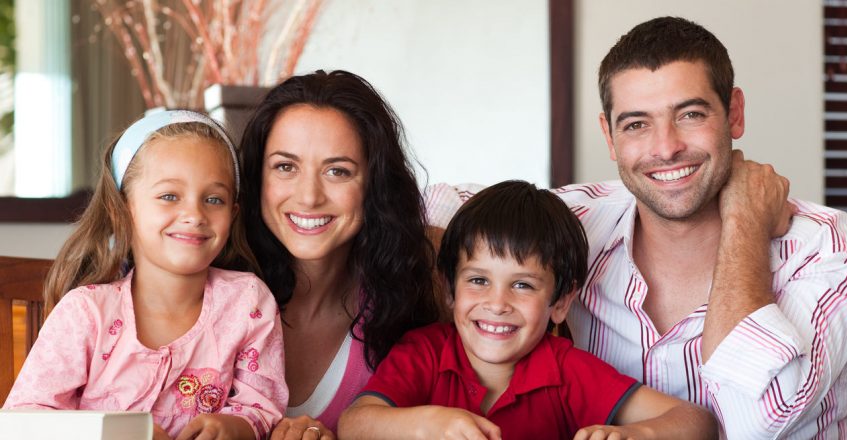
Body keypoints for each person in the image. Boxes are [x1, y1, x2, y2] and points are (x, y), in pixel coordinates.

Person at [425, 17, 847, 438]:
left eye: (690, 115)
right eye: (636, 124)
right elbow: (430, 204)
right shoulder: (576, 221)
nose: (666, 147)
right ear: (609, 137)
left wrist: (745, 224)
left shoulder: (829, 247)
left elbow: (754, 423)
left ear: (734, 113)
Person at [339, 180, 717, 440]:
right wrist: (425, 424)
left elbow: (696, 422)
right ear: (449, 288)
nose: (497, 304)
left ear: (561, 302)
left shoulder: (566, 369)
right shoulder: (424, 351)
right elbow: (355, 425)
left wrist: (632, 433)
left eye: (522, 285)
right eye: (478, 280)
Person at [3, 110, 290, 440]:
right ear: (123, 208)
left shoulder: (248, 302)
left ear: (232, 213)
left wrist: (235, 426)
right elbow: (26, 419)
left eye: (214, 199)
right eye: (169, 196)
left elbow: (260, 404)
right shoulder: (86, 312)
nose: (194, 214)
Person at [239, 70, 440, 439]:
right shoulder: (207, 288)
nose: (309, 196)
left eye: (337, 171)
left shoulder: (409, 301)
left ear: (374, 185)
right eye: (286, 167)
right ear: (256, 178)